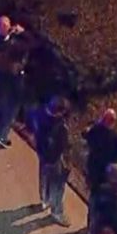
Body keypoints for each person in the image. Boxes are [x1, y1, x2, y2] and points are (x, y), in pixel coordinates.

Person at [0, 15, 34, 147]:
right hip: (11, 77)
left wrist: (17, 32)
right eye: (4, 26)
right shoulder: (6, 44)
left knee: (0, 101)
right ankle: (1, 135)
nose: (8, 27)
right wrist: (19, 33)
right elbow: (30, 44)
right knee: (11, 107)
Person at [31, 96, 71, 225]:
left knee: (43, 177)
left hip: (42, 153)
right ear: (59, 112)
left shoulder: (40, 114)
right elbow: (61, 146)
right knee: (57, 187)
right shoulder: (60, 127)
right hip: (53, 159)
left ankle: (44, 200)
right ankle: (56, 212)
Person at [83, 108, 117, 191]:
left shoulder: (99, 130)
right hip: (101, 171)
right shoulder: (116, 138)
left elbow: (85, 135)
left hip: (99, 170)